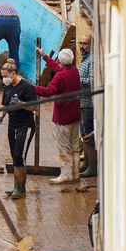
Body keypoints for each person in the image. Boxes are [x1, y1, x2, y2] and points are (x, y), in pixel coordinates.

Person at [33, 47, 82, 185]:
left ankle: (66, 174)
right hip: (75, 114)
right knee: (74, 145)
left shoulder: (61, 76)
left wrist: (31, 87)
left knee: (64, 146)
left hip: (63, 116)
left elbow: (49, 91)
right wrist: (45, 57)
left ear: (61, 61)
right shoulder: (74, 71)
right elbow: (58, 69)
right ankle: (75, 174)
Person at [0, 59, 37, 200]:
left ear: (13, 74)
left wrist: (21, 104)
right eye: (2, 76)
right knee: (15, 156)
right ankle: (18, 186)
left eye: (5, 76)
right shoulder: (7, 88)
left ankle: (19, 187)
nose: (4, 79)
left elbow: (34, 107)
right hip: (12, 124)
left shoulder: (26, 87)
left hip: (25, 125)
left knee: (19, 156)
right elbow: (3, 105)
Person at [78, 34, 96, 179]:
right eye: (80, 43)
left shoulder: (93, 60)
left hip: (89, 103)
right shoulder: (85, 60)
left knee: (89, 135)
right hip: (81, 102)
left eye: (85, 44)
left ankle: (93, 166)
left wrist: (78, 80)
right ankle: (87, 163)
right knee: (84, 135)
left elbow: (92, 82)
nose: (82, 46)